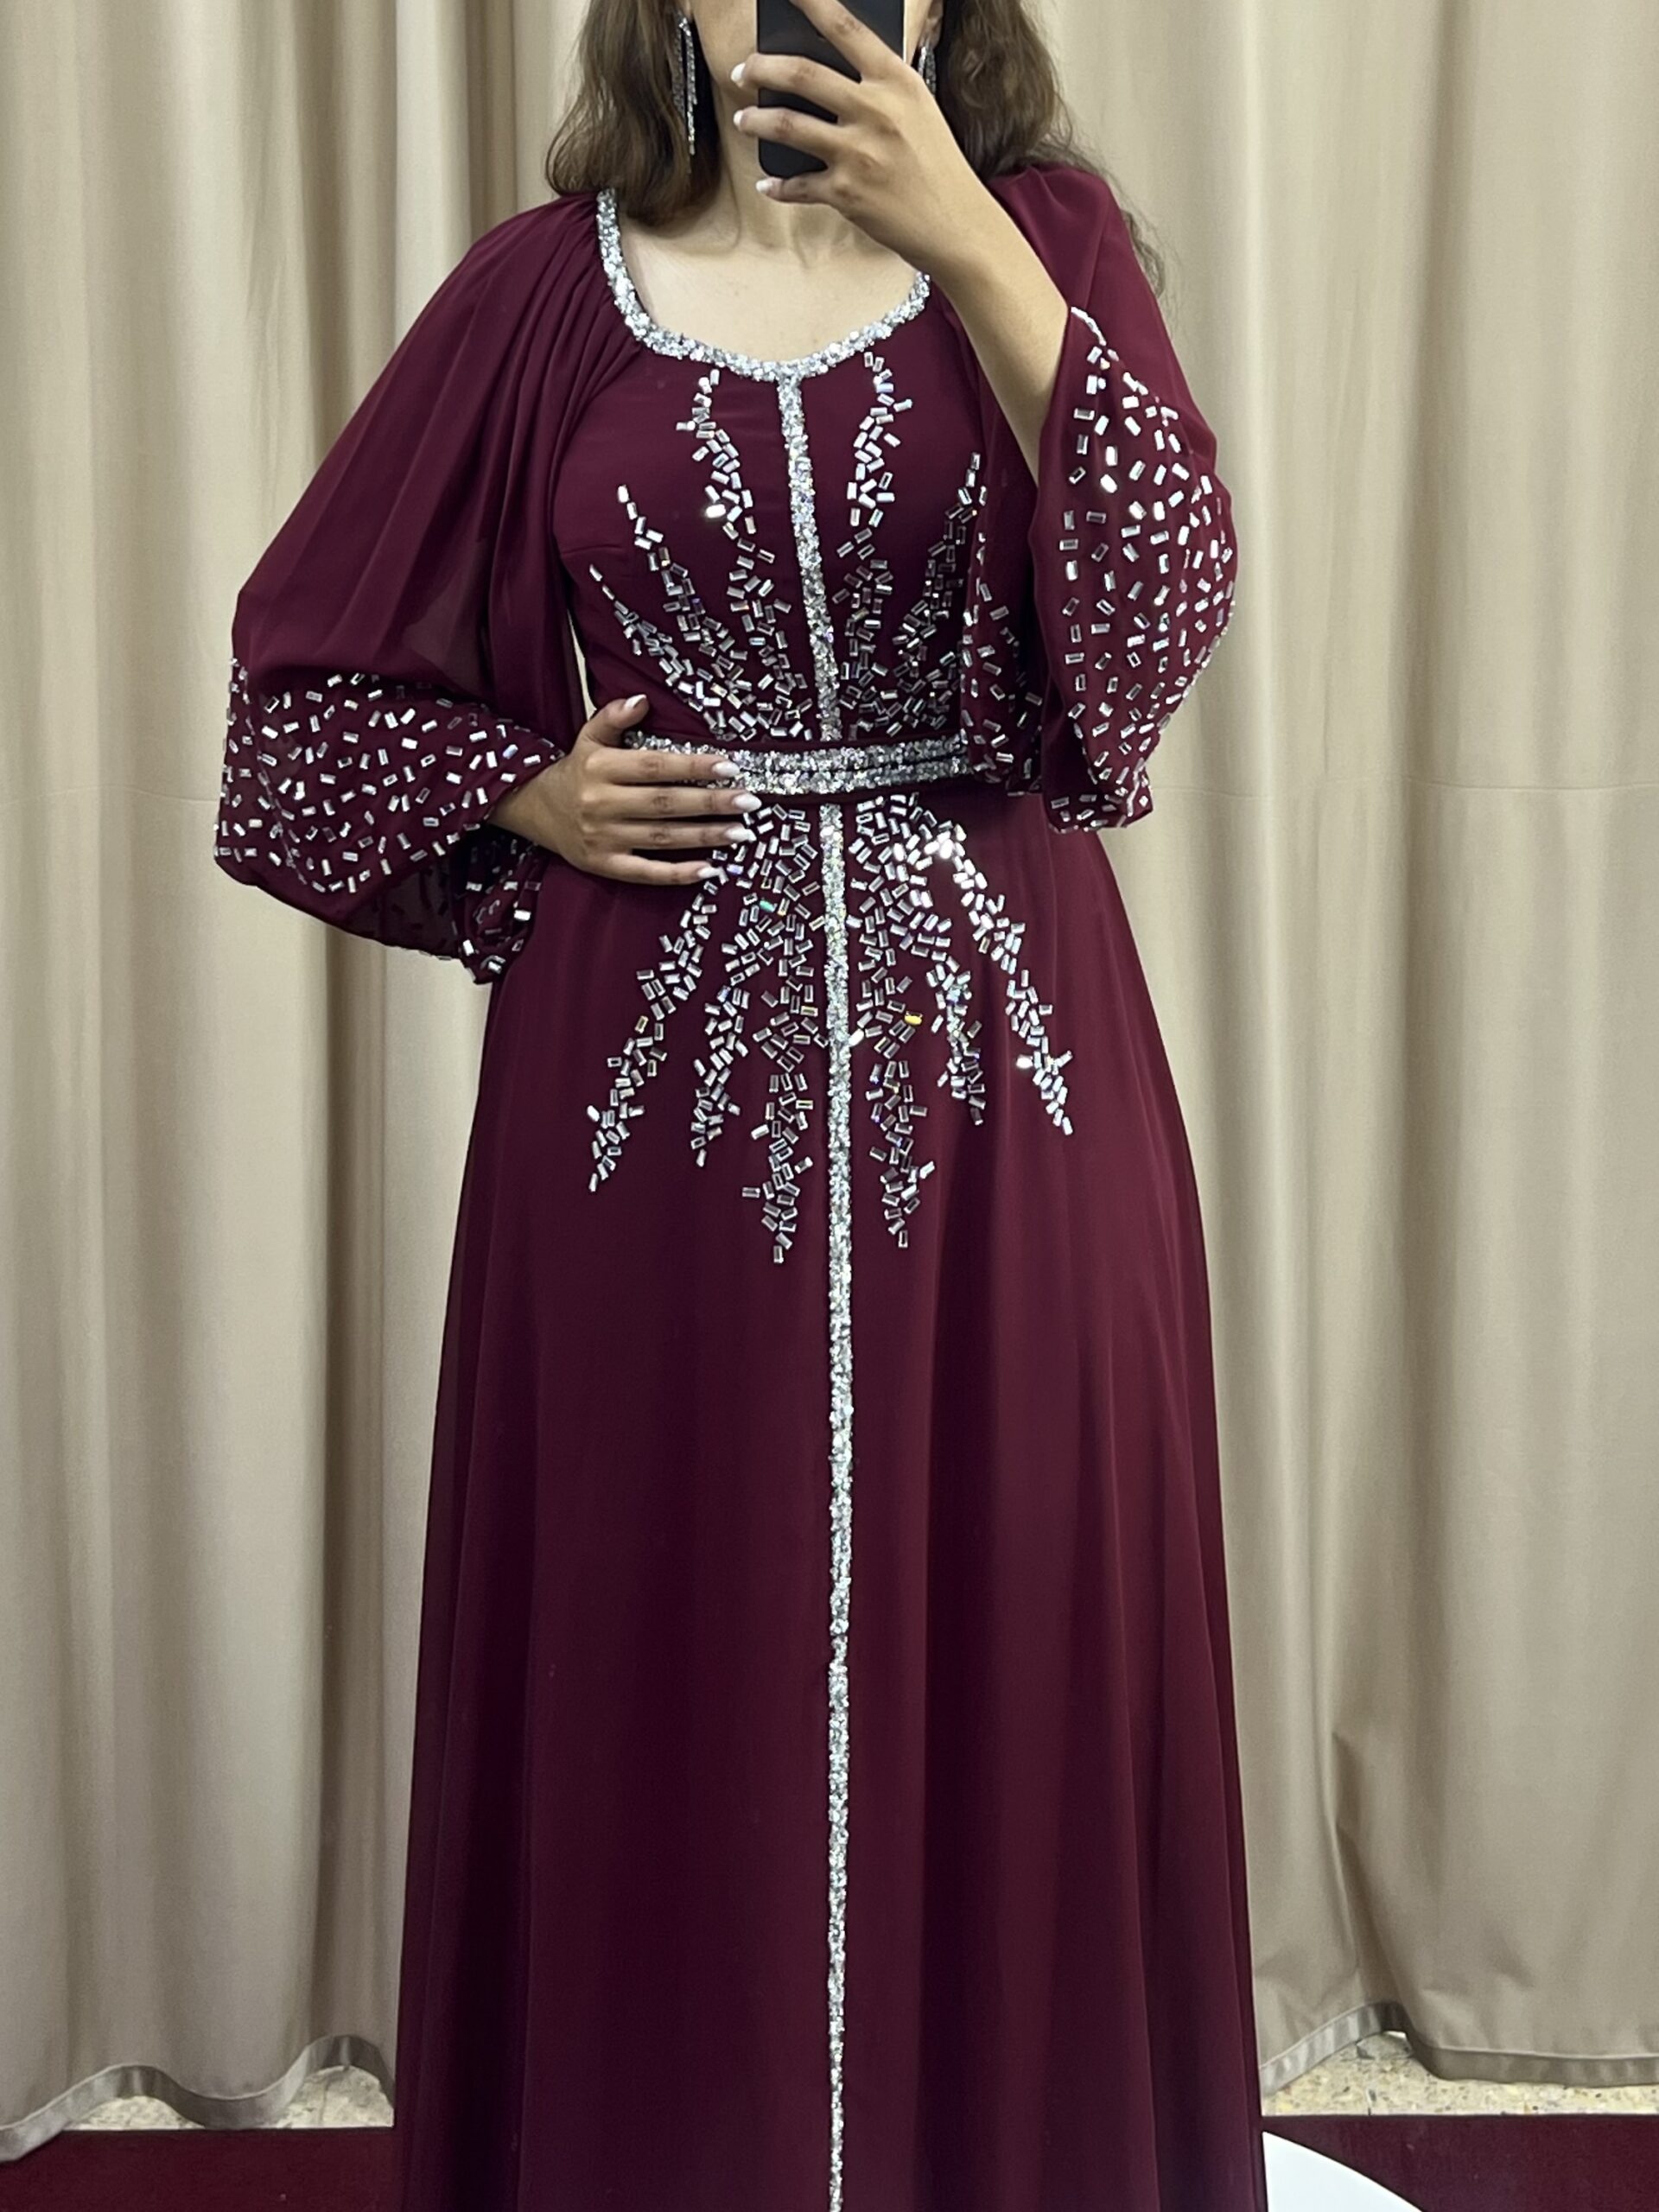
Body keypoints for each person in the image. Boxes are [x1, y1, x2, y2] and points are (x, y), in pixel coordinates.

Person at [213, 0, 1264, 2204]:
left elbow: (1160, 625)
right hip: (642, 1134)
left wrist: (974, 246)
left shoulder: (1046, 239)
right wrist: (520, 787)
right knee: (656, 1647)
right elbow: (291, 720)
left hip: (1012, 1104)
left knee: (1026, 1642)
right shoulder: (539, 296)